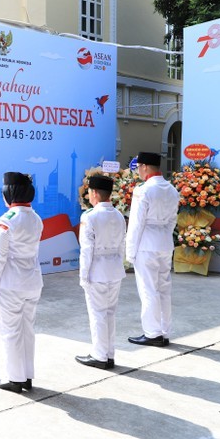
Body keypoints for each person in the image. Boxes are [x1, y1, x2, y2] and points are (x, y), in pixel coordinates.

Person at [0, 172, 43, 393]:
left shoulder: (6, 221)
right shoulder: (35, 218)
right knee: (27, 329)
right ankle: (27, 376)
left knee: (10, 332)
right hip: (32, 281)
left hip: (10, 283)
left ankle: (15, 378)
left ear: (9, 194)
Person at [126, 151, 180, 347]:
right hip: (165, 243)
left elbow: (136, 224)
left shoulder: (143, 190)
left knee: (148, 289)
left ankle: (152, 333)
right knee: (164, 288)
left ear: (145, 167)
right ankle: (164, 331)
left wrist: (130, 252)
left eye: (139, 167)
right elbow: (173, 220)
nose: (138, 171)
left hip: (146, 244)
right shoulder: (172, 190)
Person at [75, 175, 126, 369]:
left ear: (95, 193)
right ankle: (109, 353)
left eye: (89, 191)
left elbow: (86, 250)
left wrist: (83, 275)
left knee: (97, 313)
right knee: (110, 313)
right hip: (114, 269)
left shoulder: (89, 216)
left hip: (97, 270)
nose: (89, 195)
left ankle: (99, 355)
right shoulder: (119, 215)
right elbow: (122, 244)